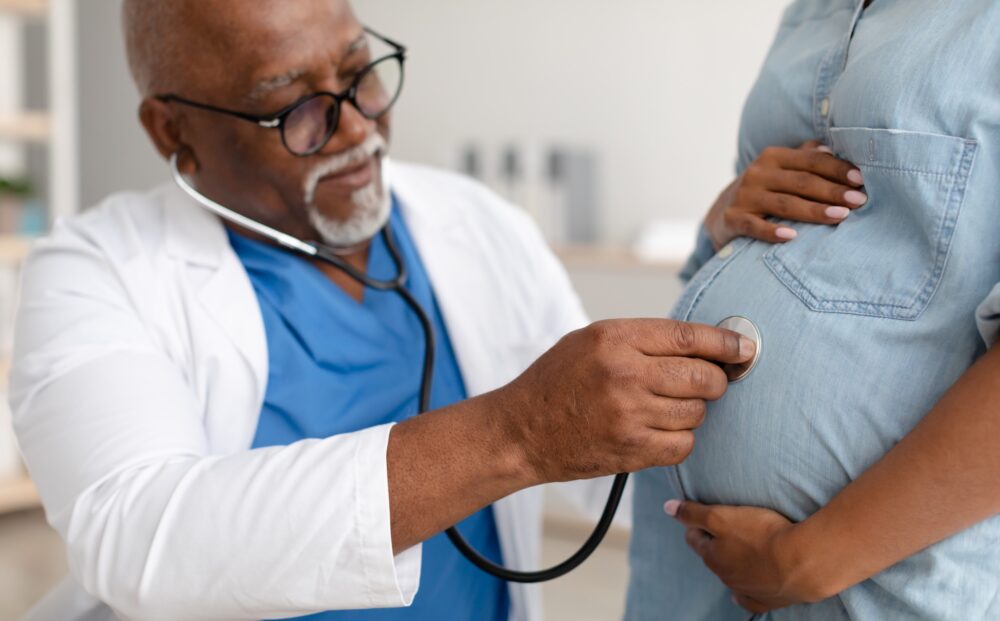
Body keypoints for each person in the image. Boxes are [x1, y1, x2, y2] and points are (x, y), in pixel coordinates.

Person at [6, 0, 813, 619]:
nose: (357, 128)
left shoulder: (478, 222)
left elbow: (601, 447)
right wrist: (515, 432)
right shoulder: (94, 272)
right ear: (171, 131)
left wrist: (717, 262)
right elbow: (138, 532)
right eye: (293, 107)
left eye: (361, 72)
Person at [625, 0, 1000, 619]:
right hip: (686, 561)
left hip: (878, 579)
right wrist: (727, 212)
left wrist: (813, 557)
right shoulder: (813, 9)